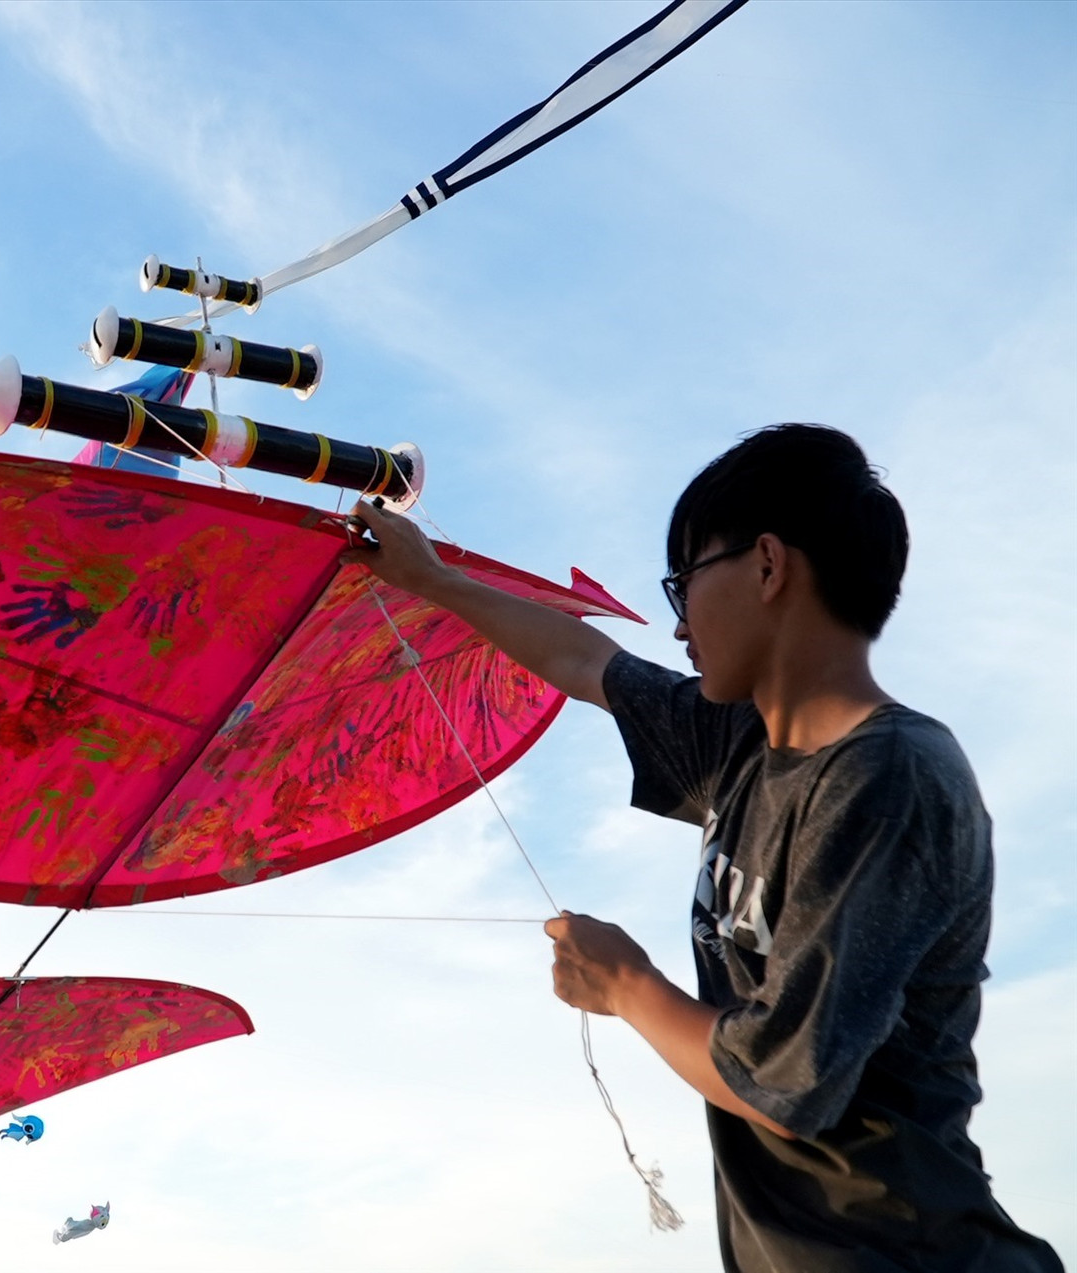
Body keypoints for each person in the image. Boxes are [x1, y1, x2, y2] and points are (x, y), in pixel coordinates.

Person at [346, 425, 1060, 1272]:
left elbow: (785, 1077)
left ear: (767, 566)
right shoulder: (737, 744)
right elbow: (583, 657)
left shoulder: (892, 776)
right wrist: (430, 578)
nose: (679, 625)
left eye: (684, 583)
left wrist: (626, 985)